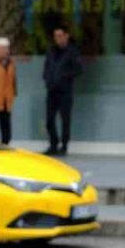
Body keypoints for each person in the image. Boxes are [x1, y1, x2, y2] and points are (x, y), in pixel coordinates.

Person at [43, 26, 83, 156]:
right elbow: (47, 67)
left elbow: (78, 70)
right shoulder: (51, 51)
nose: (57, 39)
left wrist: (65, 76)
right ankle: (53, 144)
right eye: (55, 36)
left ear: (67, 36)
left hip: (65, 91)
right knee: (49, 119)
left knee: (65, 119)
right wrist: (47, 78)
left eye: (60, 36)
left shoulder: (72, 52)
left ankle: (64, 145)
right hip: (52, 90)